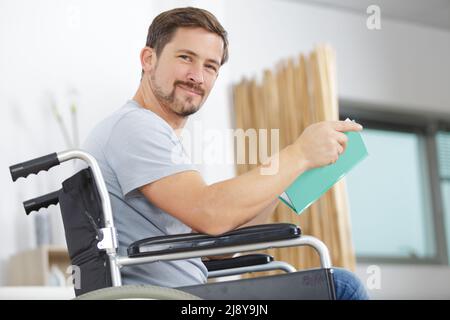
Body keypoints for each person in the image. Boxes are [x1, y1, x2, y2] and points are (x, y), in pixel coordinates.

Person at [81, 7, 369, 300]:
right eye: (185, 58)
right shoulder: (135, 126)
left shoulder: (149, 134)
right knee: (343, 287)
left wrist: (286, 180)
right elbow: (212, 213)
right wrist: (299, 154)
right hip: (174, 298)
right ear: (149, 59)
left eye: (210, 66)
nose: (197, 76)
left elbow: (216, 245)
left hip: (184, 293)